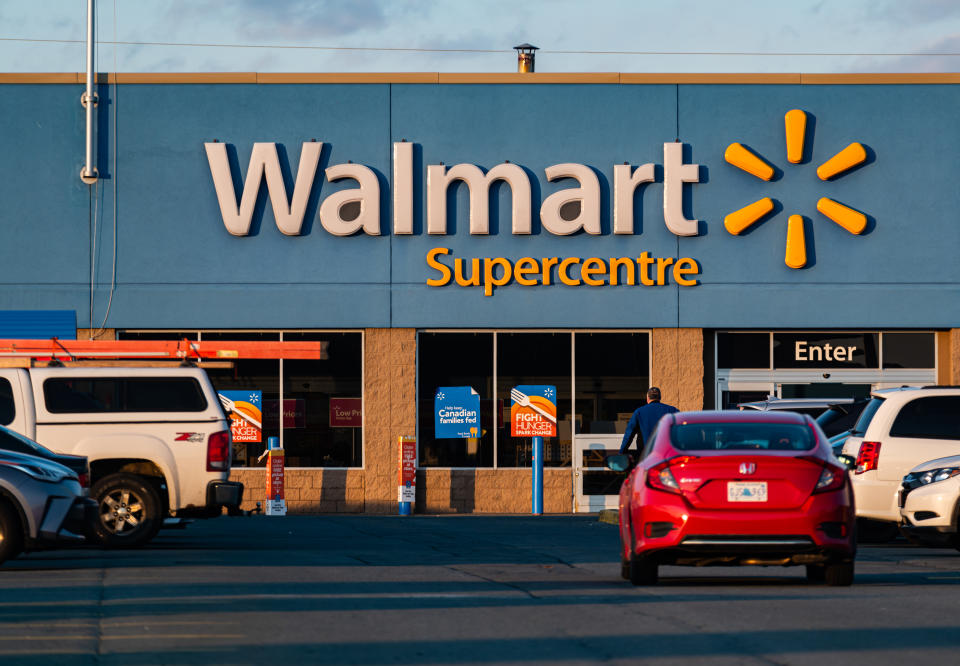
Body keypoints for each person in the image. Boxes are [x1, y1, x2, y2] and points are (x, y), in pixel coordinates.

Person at [618, 386, 678, 455]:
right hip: (666, 454)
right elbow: (681, 431)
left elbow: (629, 435)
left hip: (646, 455)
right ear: (660, 397)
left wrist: (622, 452)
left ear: (648, 398)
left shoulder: (639, 412)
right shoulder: (672, 410)